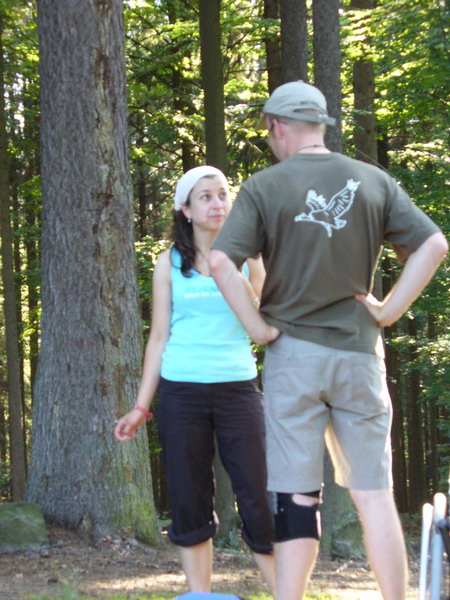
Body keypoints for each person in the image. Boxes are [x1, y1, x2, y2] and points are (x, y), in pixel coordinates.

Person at [209, 81, 448, 600]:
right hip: (358, 355)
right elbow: (434, 244)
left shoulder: (264, 186)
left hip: (293, 357)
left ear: (278, 126)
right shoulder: (374, 180)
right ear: (320, 125)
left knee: (296, 498)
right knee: (374, 495)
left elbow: (221, 261)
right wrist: (388, 311)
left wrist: (258, 328)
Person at [114, 166, 275, 595]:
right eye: (205, 196)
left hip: (239, 389)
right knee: (189, 497)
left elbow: (266, 318)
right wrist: (140, 407)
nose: (217, 203)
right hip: (180, 393)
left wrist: (249, 265)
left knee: (258, 494)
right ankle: (200, 594)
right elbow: (158, 338)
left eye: (222, 194)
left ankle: (285, 591)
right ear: (185, 209)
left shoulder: (250, 256)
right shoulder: (168, 262)